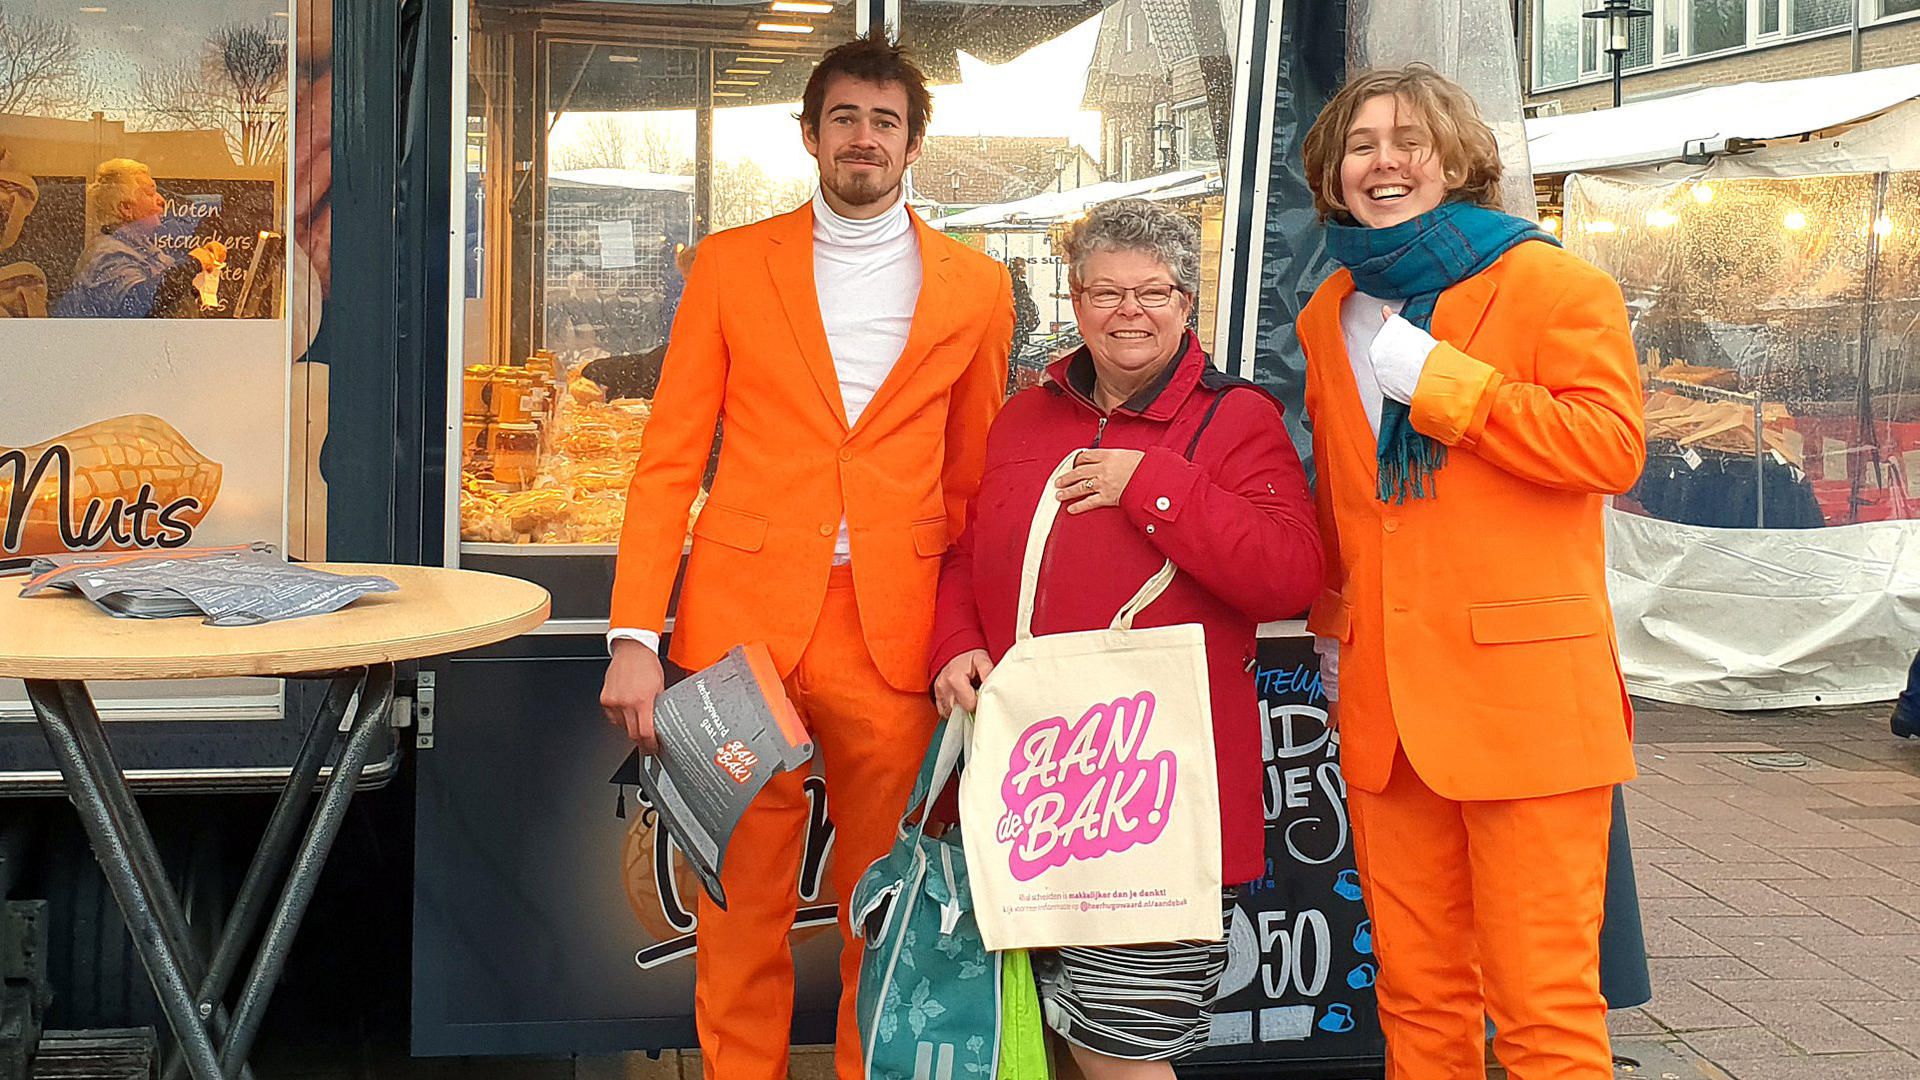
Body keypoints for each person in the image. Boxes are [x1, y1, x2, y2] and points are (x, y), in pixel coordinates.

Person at [599, 36, 1014, 1080]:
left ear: (914, 143)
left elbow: (975, 485)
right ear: (809, 135)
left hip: (899, 628)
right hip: (738, 625)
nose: (863, 139)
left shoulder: (976, 287)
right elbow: (668, 457)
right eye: (844, 119)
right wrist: (634, 635)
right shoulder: (733, 265)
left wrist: (975, 636)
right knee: (737, 902)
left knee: (889, 899)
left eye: (884, 122)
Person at [1296, 64, 1645, 1079]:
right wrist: (1332, 621)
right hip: (1386, 705)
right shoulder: (1331, 309)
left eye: (1407, 140)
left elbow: (1609, 449)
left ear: (1455, 159)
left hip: (1526, 705)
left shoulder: (1553, 280)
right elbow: (1345, 500)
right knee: (1415, 995)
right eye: (1360, 145)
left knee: (1542, 1006)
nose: (1384, 161)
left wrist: (1447, 385)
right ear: (1333, 173)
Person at [930, 198, 1321, 1080]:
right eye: (1106, 292)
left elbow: (1289, 576)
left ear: (1188, 303)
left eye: (1153, 291)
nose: (1129, 312)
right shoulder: (1024, 418)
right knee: (1052, 1037)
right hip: (1025, 786)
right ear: (1074, 301)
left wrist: (1156, 487)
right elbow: (966, 552)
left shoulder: (1238, 421)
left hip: (1150, 795)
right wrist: (954, 642)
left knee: (1122, 1045)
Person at [53, 159, 223, 319]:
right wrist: (192, 264)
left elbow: (167, 293)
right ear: (126, 208)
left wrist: (201, 265)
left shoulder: (141, 249)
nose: (161, 200)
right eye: (150, 193)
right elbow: (136, 304)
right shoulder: (107, 253)